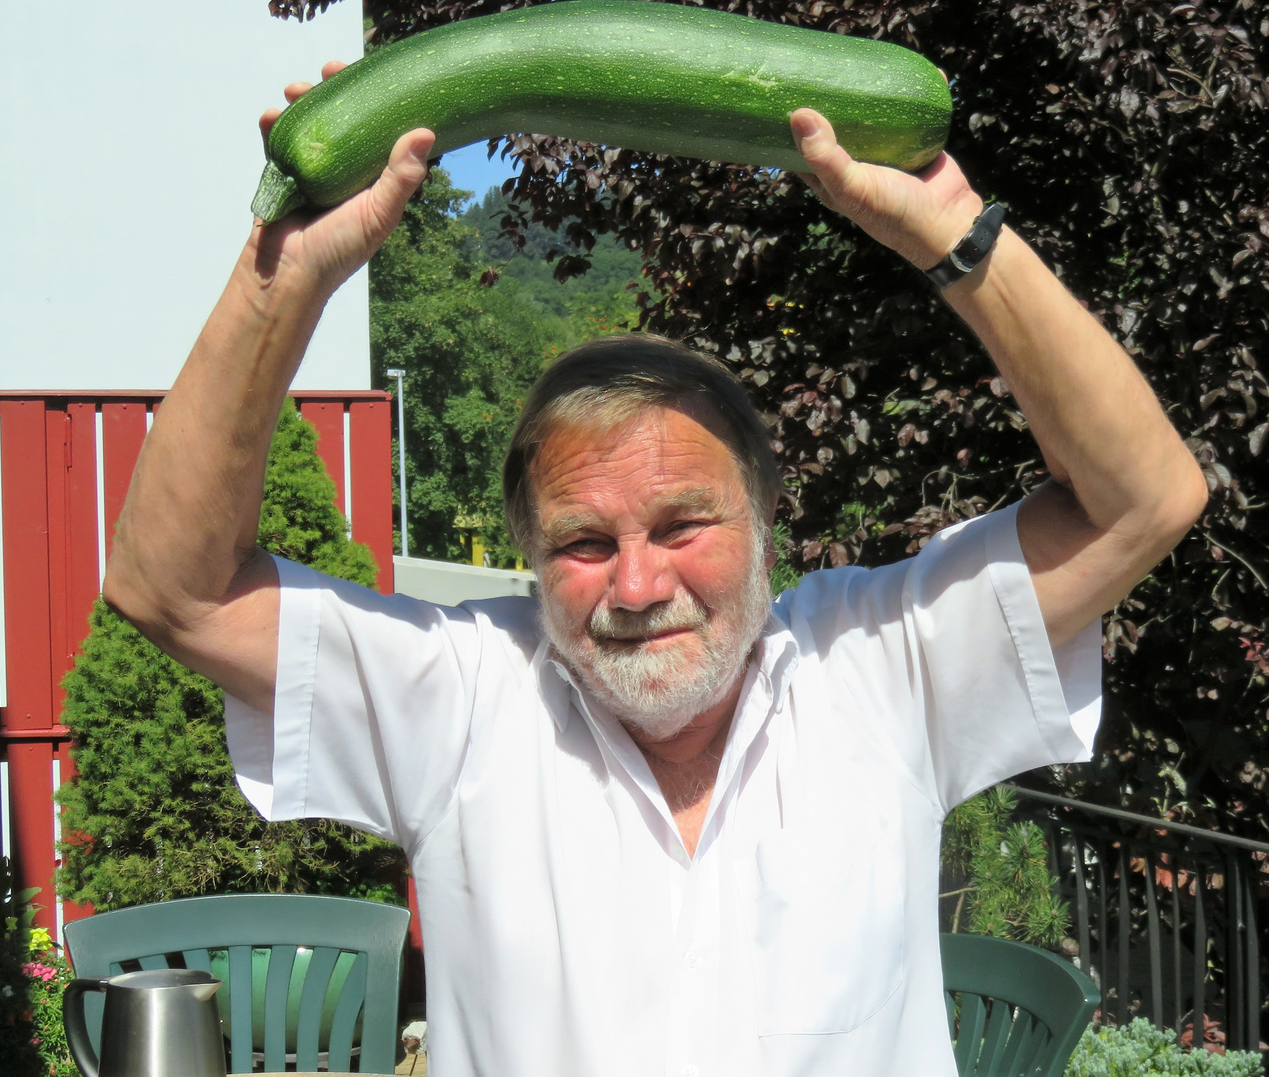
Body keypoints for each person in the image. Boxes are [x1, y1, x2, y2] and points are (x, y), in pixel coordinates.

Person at [103, 59, 1207, 1077]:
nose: (637, 588)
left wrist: (960, 237)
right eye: (585, 543)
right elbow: (170, 588)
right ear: (529, 560)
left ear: (770, 519)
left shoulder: (883, 667)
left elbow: (1147, 500)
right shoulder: (458, 698)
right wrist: (281, 282)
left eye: (683, 524)